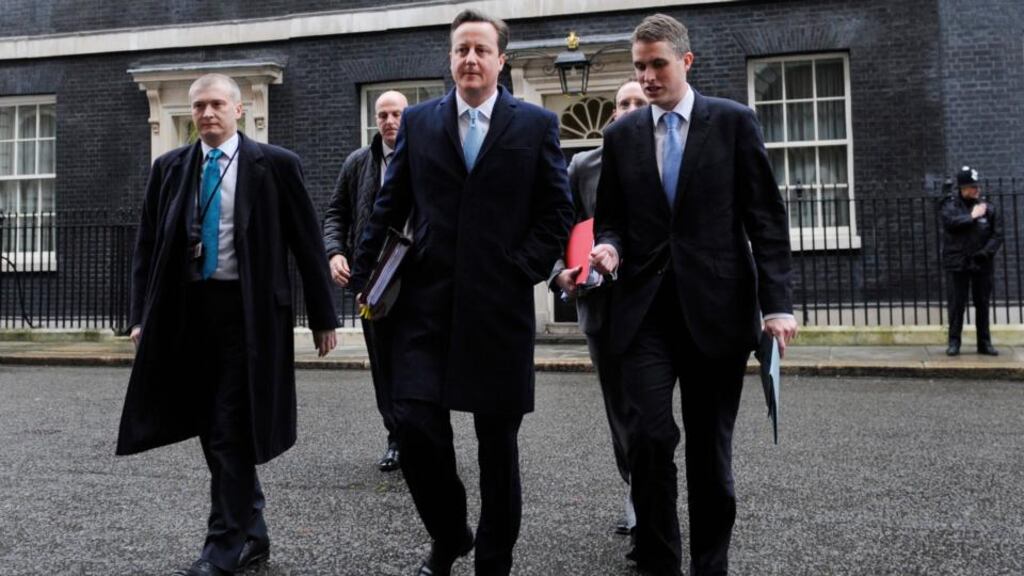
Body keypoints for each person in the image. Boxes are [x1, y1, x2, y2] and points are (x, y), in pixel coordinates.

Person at [349, 9, 573, 576]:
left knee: (498, 448)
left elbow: (556, 213)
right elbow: (388, 205)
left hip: (498, 313)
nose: (469, 59)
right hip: (426, 307)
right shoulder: (420, 123)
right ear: (450, 60)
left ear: (502, 59)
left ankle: (493, 562)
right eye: (460, 50)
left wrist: (519, 268)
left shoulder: (535, 126)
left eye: (480, 49)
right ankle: (450, 534)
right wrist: (364, 273)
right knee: (415, 425)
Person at [590, 14, 798, 576]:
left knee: (710, 454)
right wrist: (608, 248)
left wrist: (776, 305)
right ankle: (659, 562)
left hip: (718, 313)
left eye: (658, 64)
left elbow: (766, 220)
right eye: (640, 66)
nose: (649, 76)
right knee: (651, 439)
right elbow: (610, 219)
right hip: (644, 314)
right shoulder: (620, 135)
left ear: (686, 61)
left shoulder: (733, 123)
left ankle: (710, 566)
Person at [117, 73, 338, 576]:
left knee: (228, 429)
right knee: (207, 425)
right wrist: (140, 317)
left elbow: (306, 241)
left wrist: (324, 316)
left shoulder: (276, 165)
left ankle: (223, 546)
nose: (206, 114)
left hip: (250, 316)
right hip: (190, 316)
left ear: (239, 110)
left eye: (216, 104)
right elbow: (147, 248)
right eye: (198, 107)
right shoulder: (170, 168)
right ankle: (252, 530)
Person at [548, 79, 647, 536]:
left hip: (653, 305)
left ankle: (651, 491)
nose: (629, 109)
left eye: (638, 103)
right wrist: (558, 273)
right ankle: (635, 489)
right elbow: (558, 227)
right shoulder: (583, 166)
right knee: (619, 406)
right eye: (622, 103)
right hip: (601, 304)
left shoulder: (666, 157)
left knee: (650, 406)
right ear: (611, 114)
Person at [323, 90, 409, 472]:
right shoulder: (358, 162)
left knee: (419, 360)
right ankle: (396, 436)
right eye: (383, 114)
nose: (389, 121)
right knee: (383, 363)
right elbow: (336, 213)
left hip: (419, 278)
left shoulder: (427, 157)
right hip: (373, 282)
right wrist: (334, 252)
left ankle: (422, 434)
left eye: (396, 114)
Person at [940, 166, 1003, 356]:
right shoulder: (950, 206)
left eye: (977, 186)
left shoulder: (989, 207)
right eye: (971, 187)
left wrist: (985, 253)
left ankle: (984, 343)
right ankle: (954, 343)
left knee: (982, 304)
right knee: (957, 305)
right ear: (962, 188)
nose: (976, 190)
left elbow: (997, 235)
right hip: (957, 263)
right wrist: (972, 216)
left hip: (981, 264)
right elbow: (950, 224)